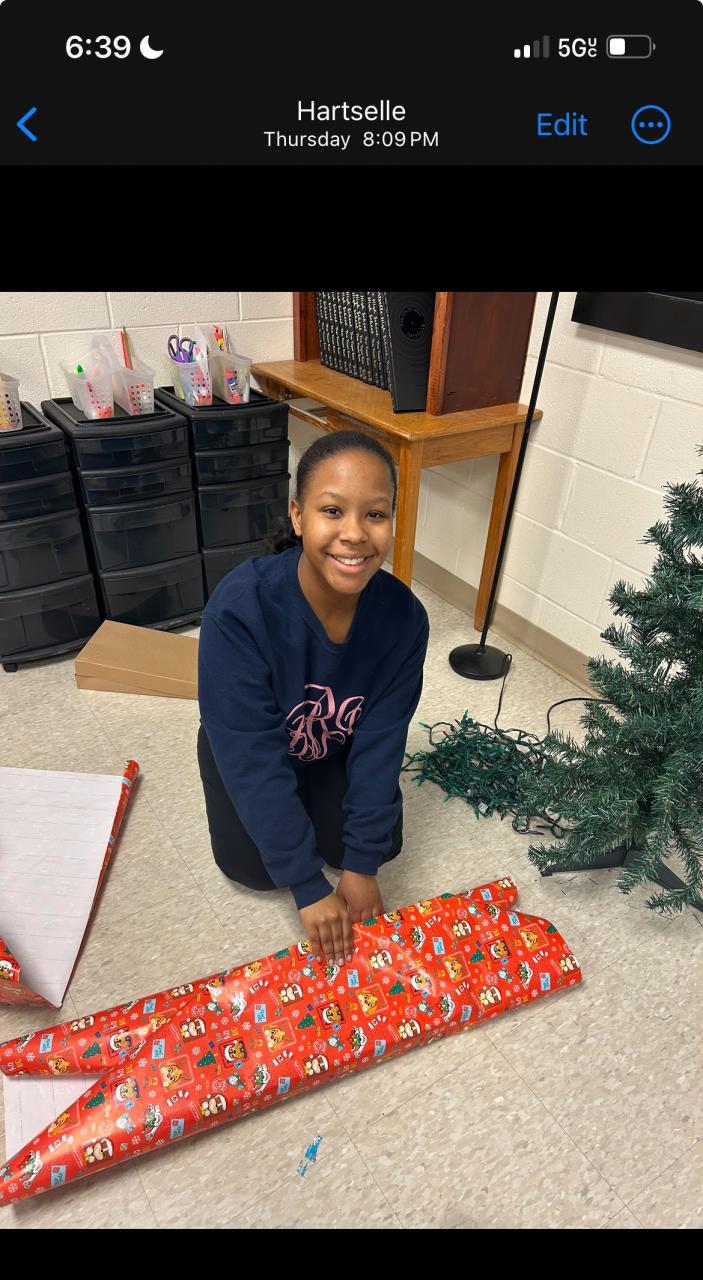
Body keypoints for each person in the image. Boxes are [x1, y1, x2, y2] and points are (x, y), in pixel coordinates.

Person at [197, 429, 429, 966]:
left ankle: (326, 819)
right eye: (332, 511)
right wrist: (305, 884)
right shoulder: (239, 610)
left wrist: (362, 863)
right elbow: (251, 755)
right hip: (250, 748)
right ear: (298, 516)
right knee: (256, 871)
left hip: (332, 747)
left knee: (377, 847)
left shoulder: (404, 619)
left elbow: (381, 743)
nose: (355, 534)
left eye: (375, 514)